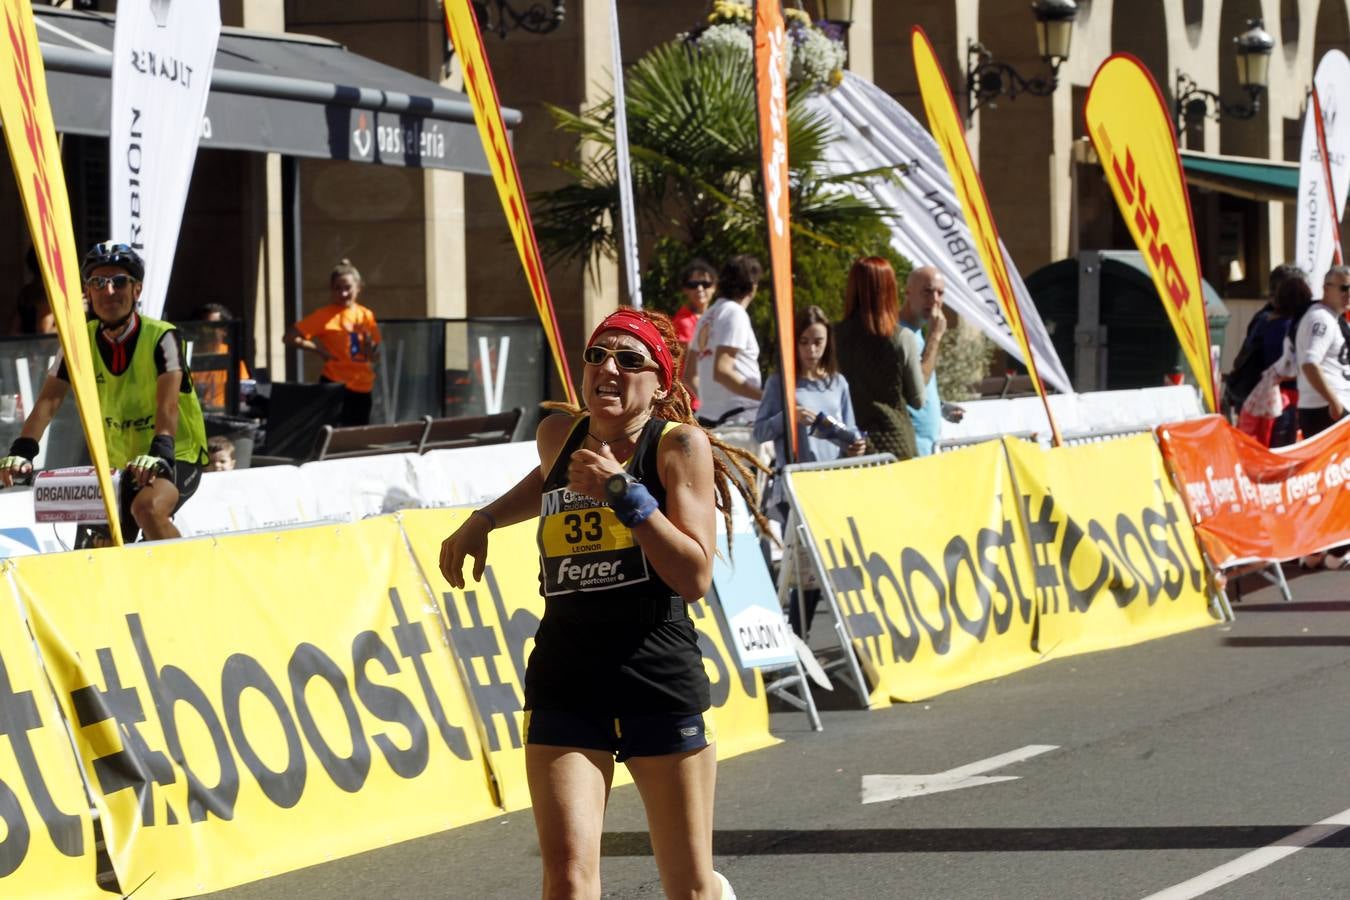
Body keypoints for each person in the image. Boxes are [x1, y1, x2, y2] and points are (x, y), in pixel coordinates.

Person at [438, 307, 766, 900]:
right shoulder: (557, 436)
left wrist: (625, 495)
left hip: (656, 674)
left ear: (660, 383)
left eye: (628, 359)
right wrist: (484, 520)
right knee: (566, 881)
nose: (607, 368)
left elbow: (693, 576)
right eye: (597, 355)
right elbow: (549, 479)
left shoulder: (678, 446)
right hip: (567, 673)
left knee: (688, 887)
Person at [0, 241, 208, 545]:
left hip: (176, 454)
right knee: (99, 542)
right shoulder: (78, 341)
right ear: (88, 292)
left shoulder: (163, 336)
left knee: (147, 508)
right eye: (98, 282)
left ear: (137, 290)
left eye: (119, 282)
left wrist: (161, 452)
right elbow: (48, 402)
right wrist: (22, 450)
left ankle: (189, 575)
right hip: (119, 464)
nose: (109, 291)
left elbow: (168, 405)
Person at [753, 305, 865, 636]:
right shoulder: (780, 383)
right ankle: (796, 636)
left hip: (832, 485)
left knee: (830, 565)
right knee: (805, 568)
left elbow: (852, 433)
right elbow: (759, 432)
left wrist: (856, 445)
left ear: (828, 342)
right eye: (804, 342)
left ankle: (832, 641)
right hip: (797, 488)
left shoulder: (837, 382)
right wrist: (788, 418)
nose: (811, 350)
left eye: (817, 342)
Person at [834, 257, 925, 460]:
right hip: (896, 445)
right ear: (889, 290)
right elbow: (918, 400)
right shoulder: (902, 338)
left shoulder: (834, 337)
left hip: (854, 446)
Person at [285, 259, 381, 426]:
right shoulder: (324, 315)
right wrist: (319, 351)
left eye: (347, 288)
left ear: (358, 288)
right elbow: (290, 338)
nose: (343, 293)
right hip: (335, 384)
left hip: (362, 386)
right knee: (332, 436)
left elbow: (374, 356)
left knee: (357, 438)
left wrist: (370, 349)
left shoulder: (366, 315)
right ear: (331, 290)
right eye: (338, 288)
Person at [692, 255, 763, 428]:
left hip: (711, 419)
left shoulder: (707, 316)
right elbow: (722, 371)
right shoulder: (734, 313)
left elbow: (688, 374)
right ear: (752, 285)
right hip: (739, 419)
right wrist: (767, 398)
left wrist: (711, 401)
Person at [1226, 263, 1306, 415]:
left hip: (1256, 400)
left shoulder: (1265, 317)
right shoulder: (1278, 323)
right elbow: (1283, 367)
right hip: (1273, 404)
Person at [674, 258, 717, 410]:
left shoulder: (715, 318)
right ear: (685, 289)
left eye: (705, 284)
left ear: (714, 287)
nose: (700, 289)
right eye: (693, 285)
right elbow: (689, 371)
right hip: (693, 403)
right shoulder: (683, 322)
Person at [9, 246, 54, 336]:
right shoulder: (47, 293)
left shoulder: (26, 292)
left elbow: (13, 331)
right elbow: (44, 333)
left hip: (27, 348)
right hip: (43, 349)